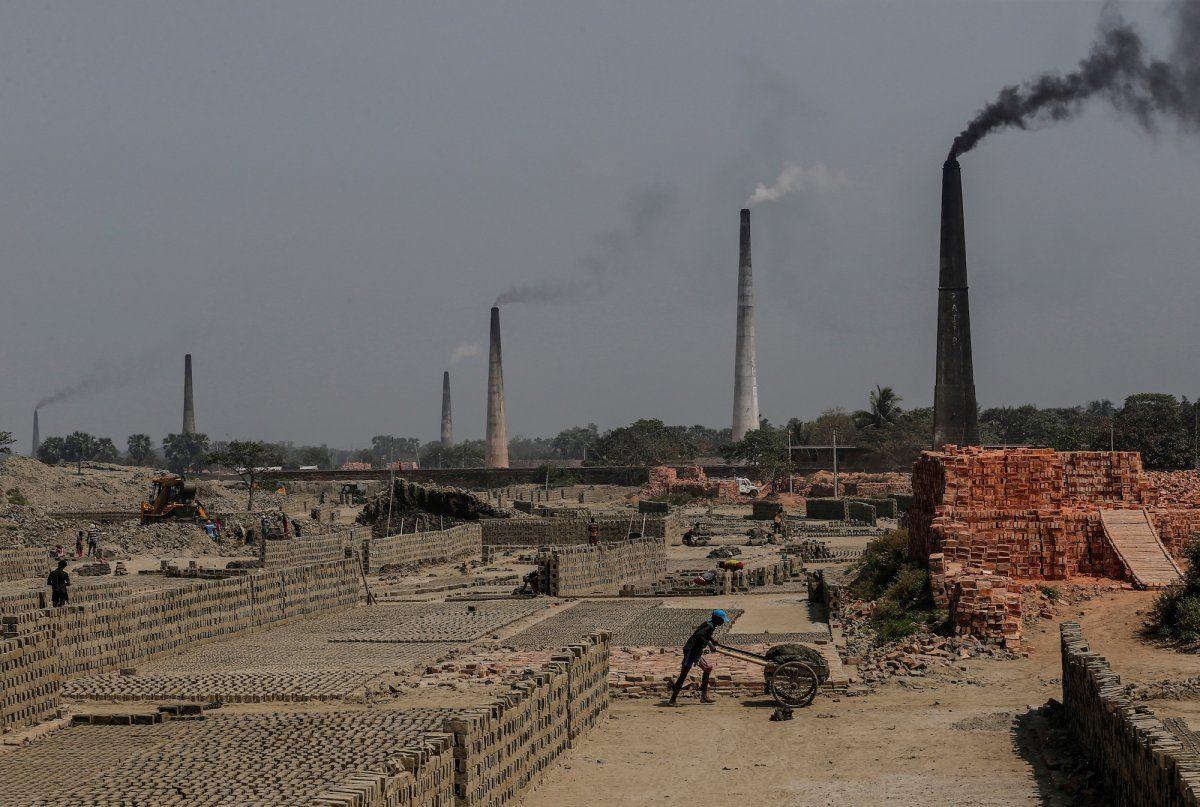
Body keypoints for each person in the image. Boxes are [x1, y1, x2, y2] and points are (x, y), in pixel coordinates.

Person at [666, 609, 729, 706]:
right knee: (684, 674)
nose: (723, 622)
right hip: (690, 650)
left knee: (707, 669)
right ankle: (672, 700)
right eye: (722, 620)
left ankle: (703, 697)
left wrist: (712, 641)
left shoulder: (710, 625)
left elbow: (705, 635)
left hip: (696, 651)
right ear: (716, 619)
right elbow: (699, 635)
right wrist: (710, 645)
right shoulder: (709, 625)